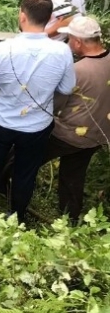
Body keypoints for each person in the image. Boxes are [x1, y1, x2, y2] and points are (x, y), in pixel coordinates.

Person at [0, 0, 76, 224]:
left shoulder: (3, 48)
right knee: (26, 173)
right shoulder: (62, 52)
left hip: (0, 121)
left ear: (22, 16)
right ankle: (17, 216)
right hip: (37, 126)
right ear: (49, 19)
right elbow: (68, 88)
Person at [41, 15, 110, 223]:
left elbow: (55, 104)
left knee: (23, 155)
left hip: (68, 134)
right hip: (98, 135)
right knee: (74, 174)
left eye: (70, 39)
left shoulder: (78, 70)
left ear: (78, 42)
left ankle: (2, 187)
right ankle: (69, 218)